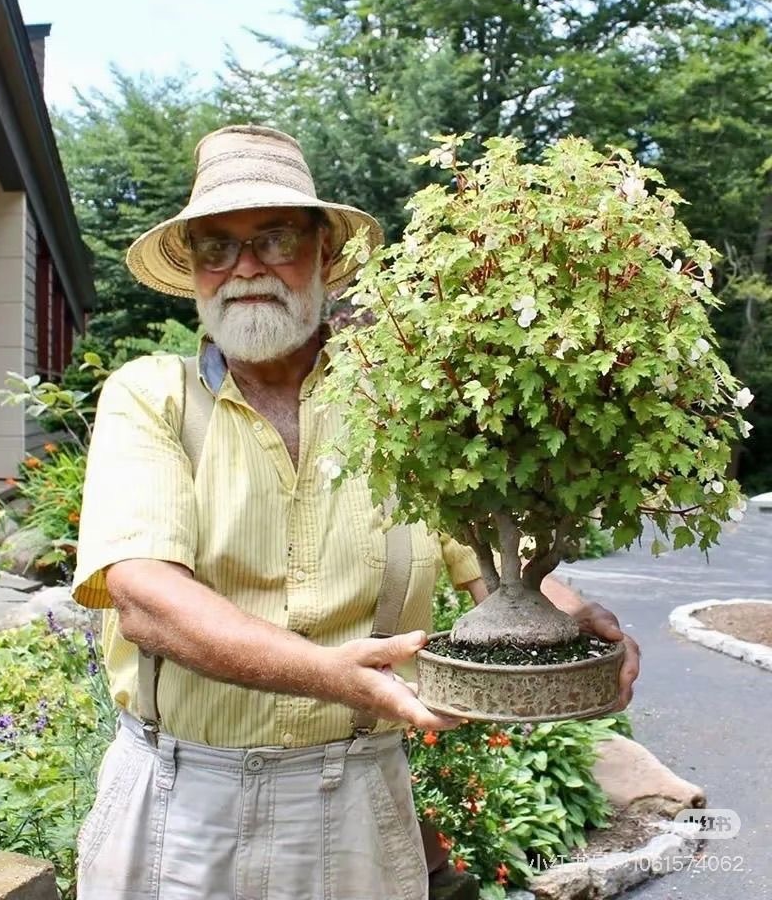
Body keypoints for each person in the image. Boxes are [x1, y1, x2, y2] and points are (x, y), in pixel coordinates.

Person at [71, 124, 640, 900]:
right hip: (179, 799)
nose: (244, 269)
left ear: (325, 258)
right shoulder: (152, 396)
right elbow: (144, 599)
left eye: (273, 240)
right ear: (196, 271)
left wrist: (570, 621)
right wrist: (331, 675)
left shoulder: (401, 404)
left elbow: (490, 567)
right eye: (216, 247)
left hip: (355, 806)